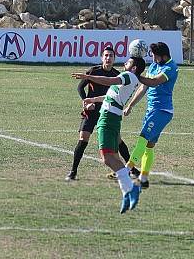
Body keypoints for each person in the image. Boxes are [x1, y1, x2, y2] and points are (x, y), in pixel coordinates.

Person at [71, 57, 151, 213]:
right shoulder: (130, 79)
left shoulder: (127, 76)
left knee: (107, 158)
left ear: (134, 68)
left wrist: (88, 77)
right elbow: (111, 96)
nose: (125, 64)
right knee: (114, 157)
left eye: (128, 62)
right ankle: (126, 193)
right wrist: (93, 98)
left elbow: (108, 81)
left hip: (108, 118)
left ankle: (132, 189)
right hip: (113, 117)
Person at [66, 47, 140, 181]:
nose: (108, 58)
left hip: (107, 112)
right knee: (83, 139)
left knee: (118, 141)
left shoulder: (118, 75)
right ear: (102, 58)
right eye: (106, 55)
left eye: (111, 56)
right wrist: (86, 102)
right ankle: (73, 171)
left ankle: (131, 169)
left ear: (114, 59)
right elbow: (80, 87)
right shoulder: (94, 71)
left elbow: (111, 90)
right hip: (92, 110)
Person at [123, 42, 178, 189]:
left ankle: (125, 171)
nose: (152, 57)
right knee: (149, 145)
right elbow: (144, 87)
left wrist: (135, 74)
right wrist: (131, 105)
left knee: (142, 138)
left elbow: (153, 82)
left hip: (162, 111)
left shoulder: (171, 67)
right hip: (151, 110)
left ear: (162, 55)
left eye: (154, 55)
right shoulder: (154, 66)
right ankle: (144, 178)